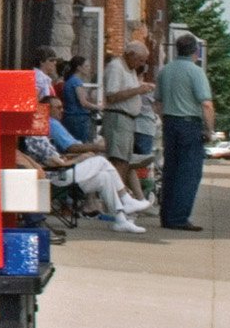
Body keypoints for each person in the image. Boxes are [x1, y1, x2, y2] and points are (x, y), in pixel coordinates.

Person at [20, 88, 148, 234]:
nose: (62, 111)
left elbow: (57, 156)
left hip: (61, 170)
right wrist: (78, 159)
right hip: (56, 174)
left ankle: (120, 220)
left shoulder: (41, 131)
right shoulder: (34, 135)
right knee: (101, 161)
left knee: (104, 177)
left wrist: (73, 159)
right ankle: (125, 198)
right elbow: (52, 162)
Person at [156, 33, 214, 231]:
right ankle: (179, 216)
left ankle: (166, 215)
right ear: (195, 51)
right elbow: (206, 104)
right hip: (189, 124)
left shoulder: (165, 71)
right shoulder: (196, 72)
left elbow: (158, 101)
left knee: (170, 170)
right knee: (188, 172)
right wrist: (209, 129)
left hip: (170, 122)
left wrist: (164, 119)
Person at [101, 37, 152, 200]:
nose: (140, 64)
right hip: (118, 118)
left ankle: (121, 199)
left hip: (127, 120)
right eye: (139, 60)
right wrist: (138, 90)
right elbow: (112, 96)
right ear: (130, 54)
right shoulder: (116, 67)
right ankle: (115, 200)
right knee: (118, 161)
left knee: (125, 161)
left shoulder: (129, 69)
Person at [59, 55, 94, 141]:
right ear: (79, 68)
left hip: (69, 117)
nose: (89, 68)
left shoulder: (70, 80)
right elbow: (83, 102)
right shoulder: (76, 81)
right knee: (81, 144)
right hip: (78, 118)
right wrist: (99, 107)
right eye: (86, 66)